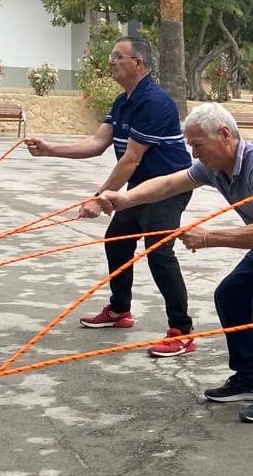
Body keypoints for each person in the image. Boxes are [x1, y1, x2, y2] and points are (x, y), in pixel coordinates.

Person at [98, 103, 253, 423]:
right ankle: (249, 377)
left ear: (225, 135)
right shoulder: (215, 166)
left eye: (198, 145)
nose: (194, 153)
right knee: (230, 295)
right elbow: (168, 184)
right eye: (190, 146)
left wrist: (208, 237)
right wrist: (125, 198)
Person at [24, 37, 196, 359]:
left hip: (169, 188)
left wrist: (98, 198)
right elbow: (96, 143)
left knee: (158, 251)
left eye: (119, 57)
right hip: (141, 189)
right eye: (112, 57)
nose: (112, 62)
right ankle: (120, 311)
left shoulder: (154, 102)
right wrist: (50, 150)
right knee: (116, 240)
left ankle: (182, 331)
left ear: (138, 64)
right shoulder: (123, 101)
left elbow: (130, 159)